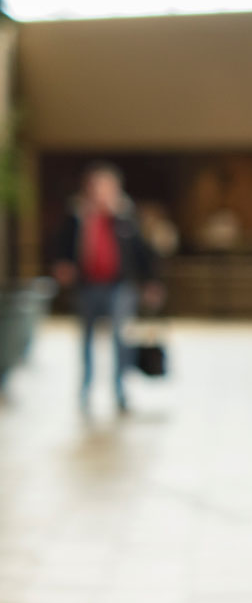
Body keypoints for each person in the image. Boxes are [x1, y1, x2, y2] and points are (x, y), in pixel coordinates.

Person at [49, 162, 161, 415]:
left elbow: (143, 252)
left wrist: (151, 282)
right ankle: (85, 391)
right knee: (87, 340)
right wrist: (63, 265)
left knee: (120, 339)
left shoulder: (125, 218)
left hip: (119, 287)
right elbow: (62, 246)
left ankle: (120, 391)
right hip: (87, 286)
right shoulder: (77, 216)